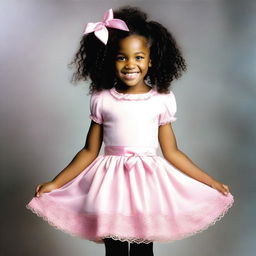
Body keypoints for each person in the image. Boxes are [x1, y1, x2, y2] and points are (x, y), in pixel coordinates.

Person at [26, 6, 234, 256]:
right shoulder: (102, 99)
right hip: (111, 187)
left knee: (143, 252)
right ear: (110, 60)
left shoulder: (162, 99)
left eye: (138, 57)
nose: (130, 64)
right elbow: (89, 150)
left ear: (150, 60)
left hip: (146, 188)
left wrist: (210, 182)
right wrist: (56, 182)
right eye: (121, 57)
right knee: (114, 251)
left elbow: (172, 152)